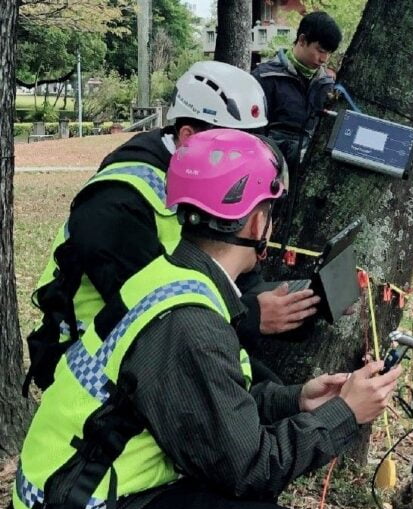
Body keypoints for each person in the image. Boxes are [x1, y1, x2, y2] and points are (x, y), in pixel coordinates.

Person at [0, 129, 403, 509]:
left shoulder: (171, 277)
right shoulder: (188, 320)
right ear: (256, 224)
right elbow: (248, 469)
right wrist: (343, 415)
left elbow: (213, 402)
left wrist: (297, 401)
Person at [24, 60, 318, 396]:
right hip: (91, 360)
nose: (244, 157)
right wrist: (250, 317)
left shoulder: (205, 178)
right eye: (233, 143)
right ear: (187, 136)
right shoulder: (117, 203)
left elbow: (231, 277)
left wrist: (300, 303)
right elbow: (151, 315)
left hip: (161, 339)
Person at [253, 11, 342, 162]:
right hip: (271, 171)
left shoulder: (328, 86)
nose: (324, 59)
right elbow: (252, 137)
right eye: (320, 51)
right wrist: (295, 153)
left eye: (329, 53)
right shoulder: (265, 77)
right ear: (302, 40)